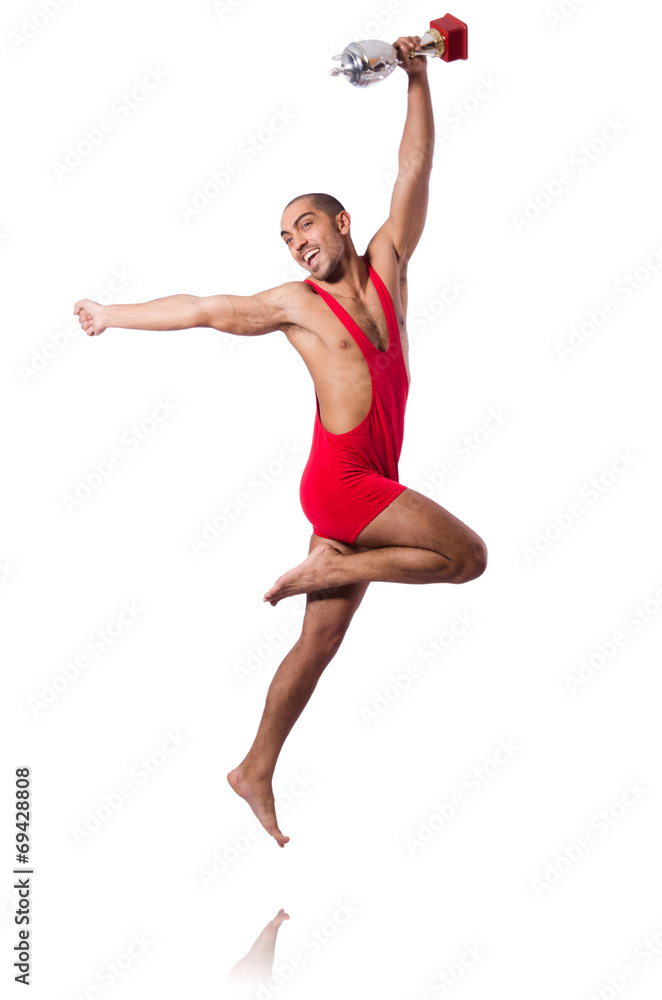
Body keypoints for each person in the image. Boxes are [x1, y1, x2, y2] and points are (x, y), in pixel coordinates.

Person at [74, 36, 487, 849]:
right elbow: (203, 306)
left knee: (318, 643)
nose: (296, 241)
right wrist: (112, 314)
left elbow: (413, 171)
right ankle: (333, 565)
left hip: (372, 477)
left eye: (305, 224)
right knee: (467, 557)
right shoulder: (294, 305)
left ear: (341, 221)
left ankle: (255, 766)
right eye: (285, 236)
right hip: (342, 483)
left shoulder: (390, 263)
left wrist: (415, 75)